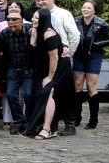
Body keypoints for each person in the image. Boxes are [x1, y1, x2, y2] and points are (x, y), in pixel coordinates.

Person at [26, 9, 74, 140]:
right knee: (40, 93)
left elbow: (54, 58)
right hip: (44, 68)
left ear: (44, 19)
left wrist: (50, 77)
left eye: (36, 18)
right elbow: (33, 53)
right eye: (33, 17)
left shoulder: (49, 34)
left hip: (59, 68)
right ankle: (47, 126)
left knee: (48, 92)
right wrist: (33, 39)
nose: (33, 20)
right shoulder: (33, 31)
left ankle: (47, 129)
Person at [72, 0, 109, 129]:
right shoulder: (75, 21)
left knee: (91, 86)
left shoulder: (101, 24)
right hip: (79, 55)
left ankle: (93, 119)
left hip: (94, 56)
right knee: (77, 85)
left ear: (94, 10)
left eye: (89, 8)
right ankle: (76, 117)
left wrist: (97, 44)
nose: (85, 10)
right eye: (84, 7)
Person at [0, 9, 35, 135]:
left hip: (29, 68)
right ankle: (19, 121)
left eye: (15, 26)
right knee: (10, 95)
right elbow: (3, 51)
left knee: (29, 95)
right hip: (13, 67)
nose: (13, 29)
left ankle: (29, 122)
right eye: (11, 26)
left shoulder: (30, 30)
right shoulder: (5, 33)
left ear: (21, 21)